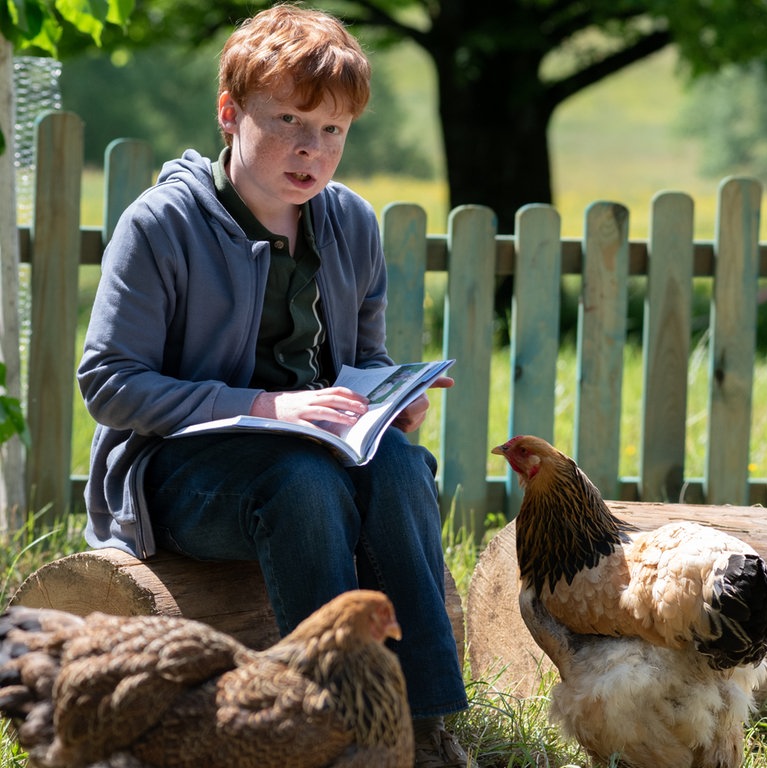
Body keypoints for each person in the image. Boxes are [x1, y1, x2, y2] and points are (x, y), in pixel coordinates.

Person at [77, 5, 473, 766]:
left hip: (319, 454)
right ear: (230, 114)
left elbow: (360, 358)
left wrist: (390, 403)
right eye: (288, 119)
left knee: (396, 467)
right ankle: (326, 730)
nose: (310, 149)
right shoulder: (160, 225)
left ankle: (422, 726)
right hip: (180, 475)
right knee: (297, 481)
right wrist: (264, 406)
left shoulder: (352, 223)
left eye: (332, 131)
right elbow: (109, 383)